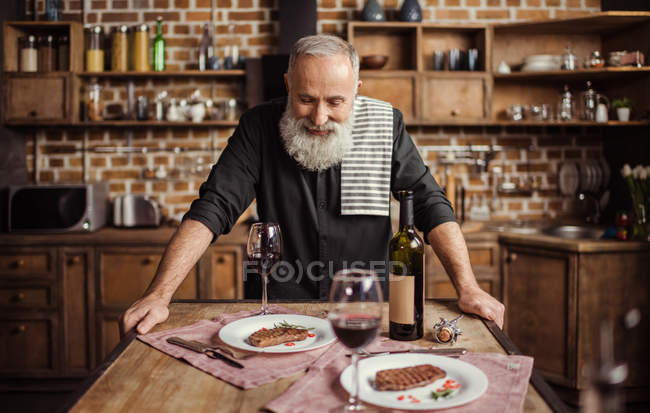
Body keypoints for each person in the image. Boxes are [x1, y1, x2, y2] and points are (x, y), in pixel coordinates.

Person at [120, 34, 504, 336]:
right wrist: (159, 295)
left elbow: (429, 204)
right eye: (305, 99)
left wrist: (467, 287)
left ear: (356, 89)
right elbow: (212, 208)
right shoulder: (258, 126)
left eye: (335, 101)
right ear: (288, 84)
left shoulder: (385, 124)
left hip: (365, 310)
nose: (319, 117)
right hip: (279, 311)